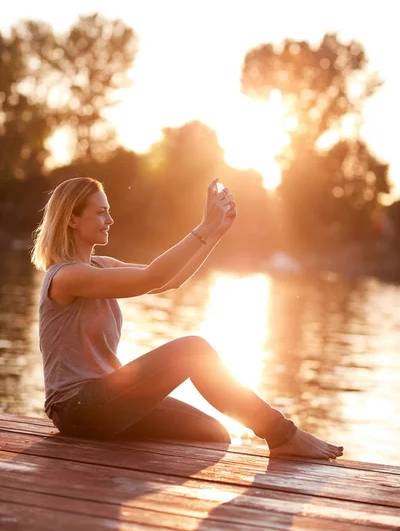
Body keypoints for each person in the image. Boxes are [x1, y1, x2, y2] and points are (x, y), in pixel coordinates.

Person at [31, 176, 343, 459]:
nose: (110, 219)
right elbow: (153, 276)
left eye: (108, 211)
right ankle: (281, 433)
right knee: (193, 350)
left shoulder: (102, 265)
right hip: (77, 408)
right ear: (72, 218)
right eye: (100, 212)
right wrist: (204, 227)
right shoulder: (66, 277)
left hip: (105, 401)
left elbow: (169, 281)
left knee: (213, 432)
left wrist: (216, 233)